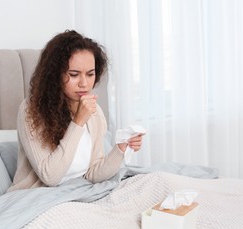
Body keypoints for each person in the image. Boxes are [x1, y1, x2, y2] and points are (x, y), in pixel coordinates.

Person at [8, 30, 143, 191]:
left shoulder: (95, 112)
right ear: (55, 75)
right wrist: (78, 121)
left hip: (79, 192)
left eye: (90, 74)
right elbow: (50, 176)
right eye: (74, 74)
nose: (84, 83)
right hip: (39, 198)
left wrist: (120, 149)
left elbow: (93, 174)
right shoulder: (30, 110)